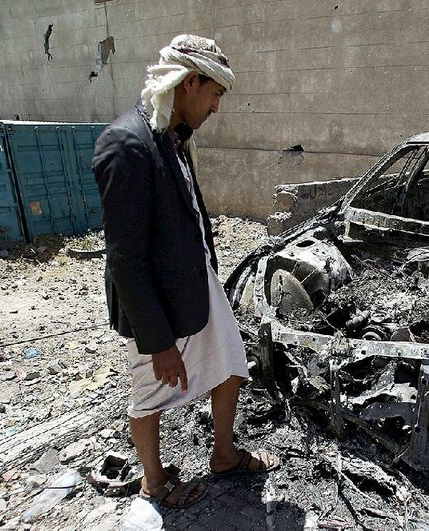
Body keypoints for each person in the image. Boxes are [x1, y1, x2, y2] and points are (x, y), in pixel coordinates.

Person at [92, 34, 280, 507]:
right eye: (215, 94)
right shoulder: (126, 144)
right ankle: (154, 483)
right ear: (190, 81)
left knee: (233, 362)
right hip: (155, 302)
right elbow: (125, 258)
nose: (217, 107)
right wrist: (159, 343)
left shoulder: (171, 138)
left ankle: (223, 453)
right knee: (149, 395)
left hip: (194, 285)